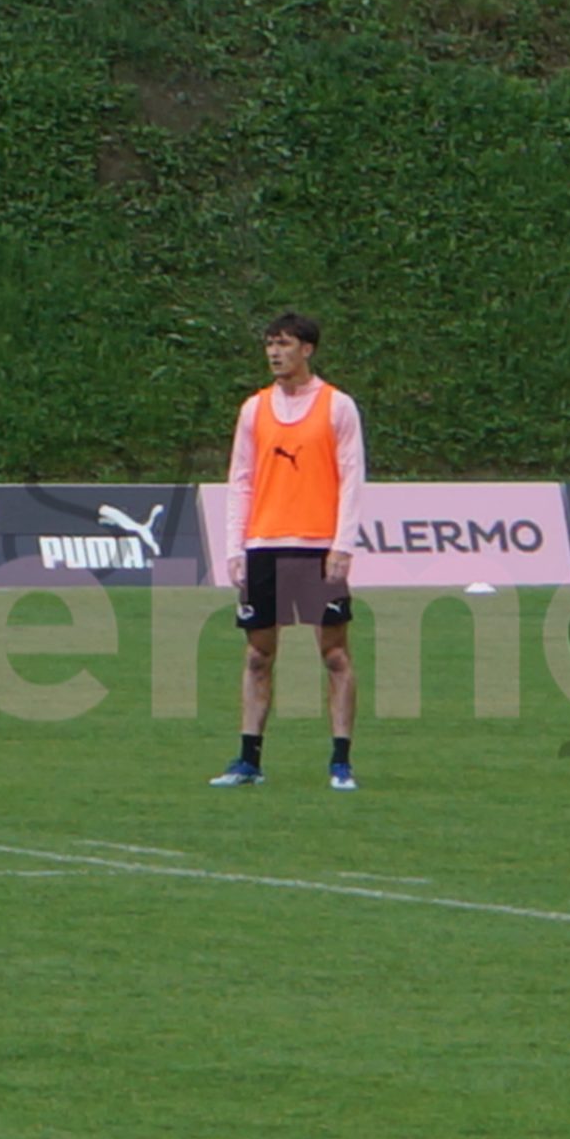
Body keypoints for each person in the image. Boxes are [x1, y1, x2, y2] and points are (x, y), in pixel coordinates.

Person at [209, 312, 365, 791]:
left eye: (285, 344)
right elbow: (241, 480)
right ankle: (248, 760)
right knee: (258, 656)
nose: (275, 353)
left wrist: (342, 545)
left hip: (318, 546)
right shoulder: (254, 409)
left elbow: (351, 477)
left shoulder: (338, 406)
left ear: (307, 350)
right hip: (265, 545)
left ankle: (340, 762)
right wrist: (236, 547)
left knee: (334, 654)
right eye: (270, 344)